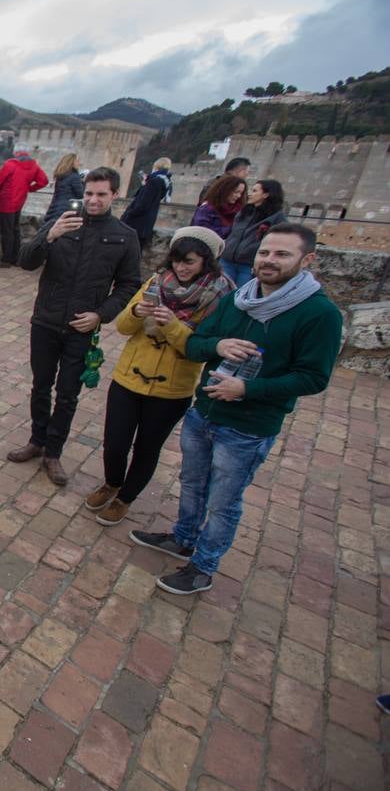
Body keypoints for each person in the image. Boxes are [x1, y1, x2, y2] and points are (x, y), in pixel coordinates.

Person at [130, 223, 341, 595]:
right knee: (192, 483)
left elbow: (313, 378)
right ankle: (183, 538)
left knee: (223, 501)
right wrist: (218, 346)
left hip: (248, 426)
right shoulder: (238, 298)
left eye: (282, 254)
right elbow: (196, 345)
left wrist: (247, 387)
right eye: (264, 252)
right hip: (205, 411)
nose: (269, 261)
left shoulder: (319, 313)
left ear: (307, 260)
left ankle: (203, 566)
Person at [86, 227, 234, 525]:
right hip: (130, 377)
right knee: (115, 441)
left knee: (147, 447)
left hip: (171, 388)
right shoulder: (156, 282)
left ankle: (126, 498)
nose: (180, 267)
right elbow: (124, 327)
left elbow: (200, 348)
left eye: (189, 261)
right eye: (177, 260)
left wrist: (171, 326)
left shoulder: (220, 297)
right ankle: (112, 482)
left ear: (206, 261)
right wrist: (138, 312)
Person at [9, 167, 141, 485]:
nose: (93, 200)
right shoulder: (61, 223)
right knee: (41, 385)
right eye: (89, 194)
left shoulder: (125, 236)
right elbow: (25, 259)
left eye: (101, 194)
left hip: (81, 327)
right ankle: (37, 441)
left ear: (115, 195)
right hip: (46, 320)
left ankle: (53, 452)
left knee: (68, 394)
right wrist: (50, 235)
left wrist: (100, 315)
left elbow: (128, 285)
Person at [0, 144, 48, 268]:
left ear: (16, 153)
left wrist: (2, 191)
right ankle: (15, 258)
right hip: (20, 200)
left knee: (7, 230)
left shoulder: (10, 164)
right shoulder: (34, 166)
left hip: (7, 200)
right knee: (15, 229)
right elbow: (43, 181)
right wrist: (29, 188)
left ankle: (6, 259)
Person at [219, 180, 285, 287]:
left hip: (249, 265)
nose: (250, 194)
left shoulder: (276, 218)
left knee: (242, 295)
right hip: (227, 260)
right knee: (221, 292)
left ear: (266, 194)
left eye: (255, 191)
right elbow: (233, 232)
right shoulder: (245, 211)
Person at [120, 157, 172, 251]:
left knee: (126, 254)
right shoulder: (164, 182)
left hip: (135, 224)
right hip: (145, 226)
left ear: (156, 167)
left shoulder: (153, 182)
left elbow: (143, 204)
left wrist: (128, 213)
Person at [192, 175, 246, 239]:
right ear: (226, 189)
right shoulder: (206, 209)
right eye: (236, 192)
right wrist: (232, 228)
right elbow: (203, 233)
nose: (239, 196)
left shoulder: (239, 210)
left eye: (241, 193)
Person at [43, 153, 85, 226]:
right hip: (65, 209)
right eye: (78, 161)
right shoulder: (74, 176)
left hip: (54, 209)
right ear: (72, 162)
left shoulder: (61, 176)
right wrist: (83, 182)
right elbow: (80, 194)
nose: (79, 163)